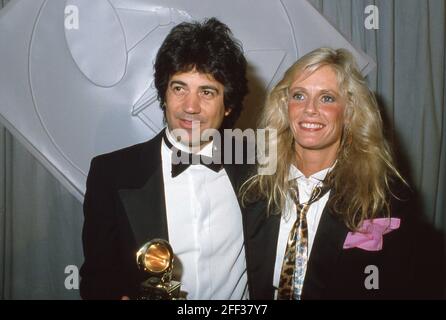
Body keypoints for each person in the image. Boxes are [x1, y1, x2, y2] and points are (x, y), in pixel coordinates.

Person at [80, 17, 250, 300]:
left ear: (229, 105)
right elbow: (96, 280)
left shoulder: (256, 166)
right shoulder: (111, 174)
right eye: (179, 88)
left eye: (206, 92)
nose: (190, 107)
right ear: (163, 93)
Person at [240, 47, 420, 299]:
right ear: (285, 106)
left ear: (349, 111)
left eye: (326, 98)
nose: (310, 109)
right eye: (299, 96)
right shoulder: (253, 186)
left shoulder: (387, 198)